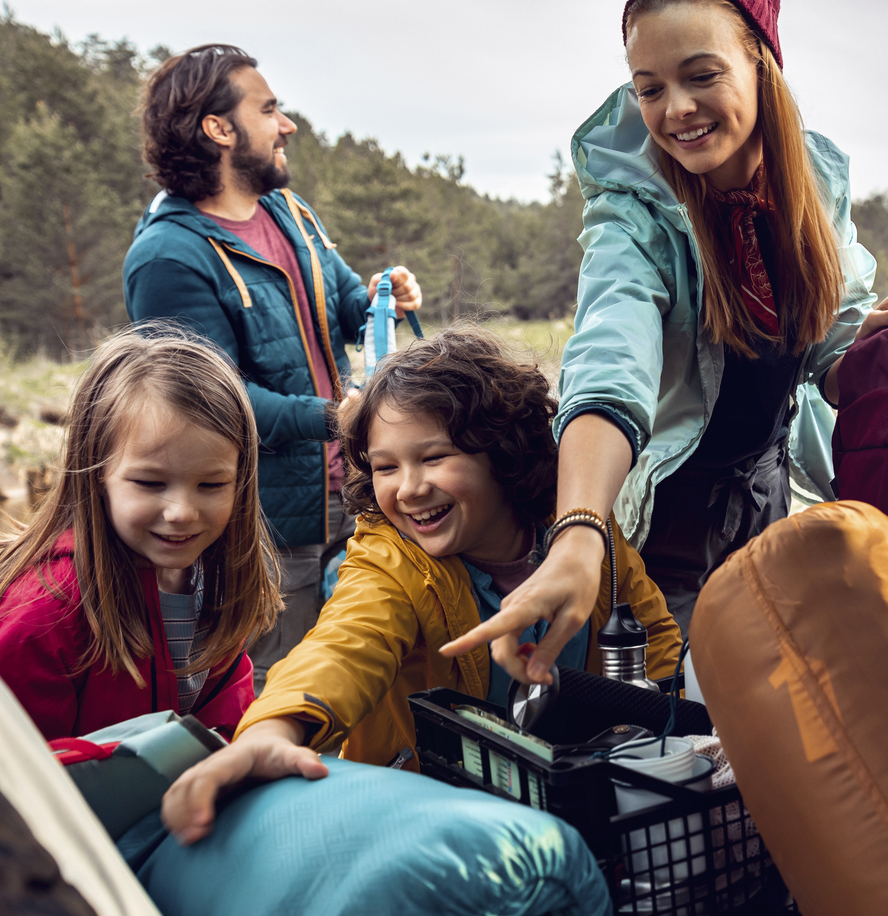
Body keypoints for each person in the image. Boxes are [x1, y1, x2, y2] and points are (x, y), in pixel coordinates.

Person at [443, 0, 888, 686]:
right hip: (668, 525)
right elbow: (607, 364)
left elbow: (831, 363)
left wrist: (884, 328)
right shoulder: (633, 218)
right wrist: (582, 530)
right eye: (649, 88)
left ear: (761, 65)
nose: (675, 108)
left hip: (770, 498)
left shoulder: (814, 192)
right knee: (678, 720)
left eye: (701, 75)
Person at [160, 328, 679, 842]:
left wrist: (664, 742)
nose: (409, 488)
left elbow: (650, 636)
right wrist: (274, 729)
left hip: (586, 801)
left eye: (433, 458)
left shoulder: (578, 532)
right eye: (385, 467)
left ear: (503, 450)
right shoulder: (390, 558)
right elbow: (344, 645)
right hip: (432, 821)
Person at [124, 43, 423, 688]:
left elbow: (338, 303)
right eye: (269, 109)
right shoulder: (168, 258)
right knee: (272, 685)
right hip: (267, 524)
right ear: (219, 129)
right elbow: (205, 406)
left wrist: (380, 296)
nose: (286, 125)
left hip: (354, 495)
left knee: (362, 671)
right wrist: (336, 416)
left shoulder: (287, 212)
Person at [0, 327, 283, 740]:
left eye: (211, 485)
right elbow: (12, 768)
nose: (182, 513)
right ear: (96, 472)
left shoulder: (211, 575)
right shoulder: (41, 614)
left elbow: (225, 715)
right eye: (150, 483)